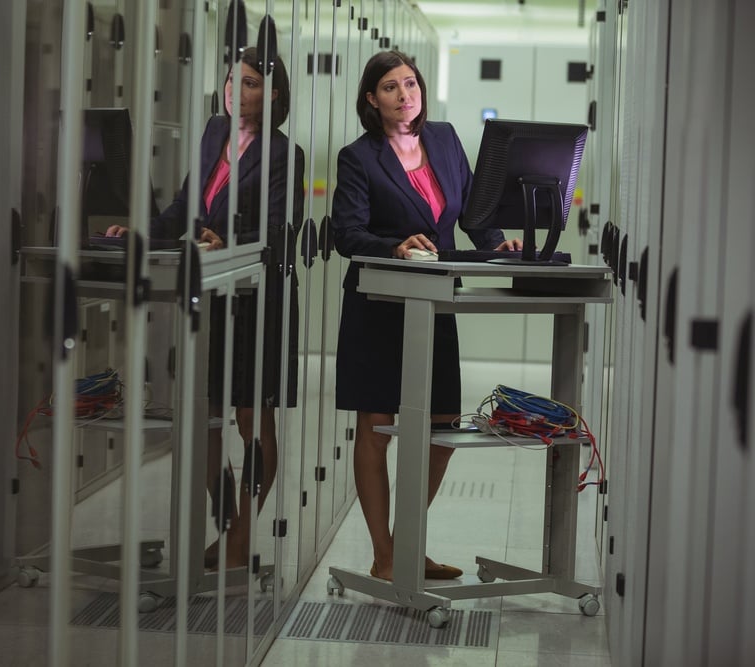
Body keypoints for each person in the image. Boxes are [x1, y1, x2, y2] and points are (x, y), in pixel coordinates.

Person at [106, 46, 304, 569]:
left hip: (260, 295)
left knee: (250, 417)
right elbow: (183, 207)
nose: (239, 91)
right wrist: (144, 236)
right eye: (233, 81)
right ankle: (231, 523)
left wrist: (225, 239)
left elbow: (279, 225)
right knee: (205, 416)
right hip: (212, 293)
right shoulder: (213, 135)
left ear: (275, 94)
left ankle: (239, 539)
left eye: (253, 83)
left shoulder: (285, 153)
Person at [330, 50, 519, 582]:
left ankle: (405, 541)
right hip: (378, 303)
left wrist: (497, 243)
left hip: (435, 300)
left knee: (441, 425)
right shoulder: (358, 157)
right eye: (390, 87)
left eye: (410, 83)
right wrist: (393, 246)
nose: (404, 94)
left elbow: (474, 214)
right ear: (372, 99)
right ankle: (385, 556)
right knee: (376, 425)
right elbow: (347, 232)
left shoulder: (444, 139)